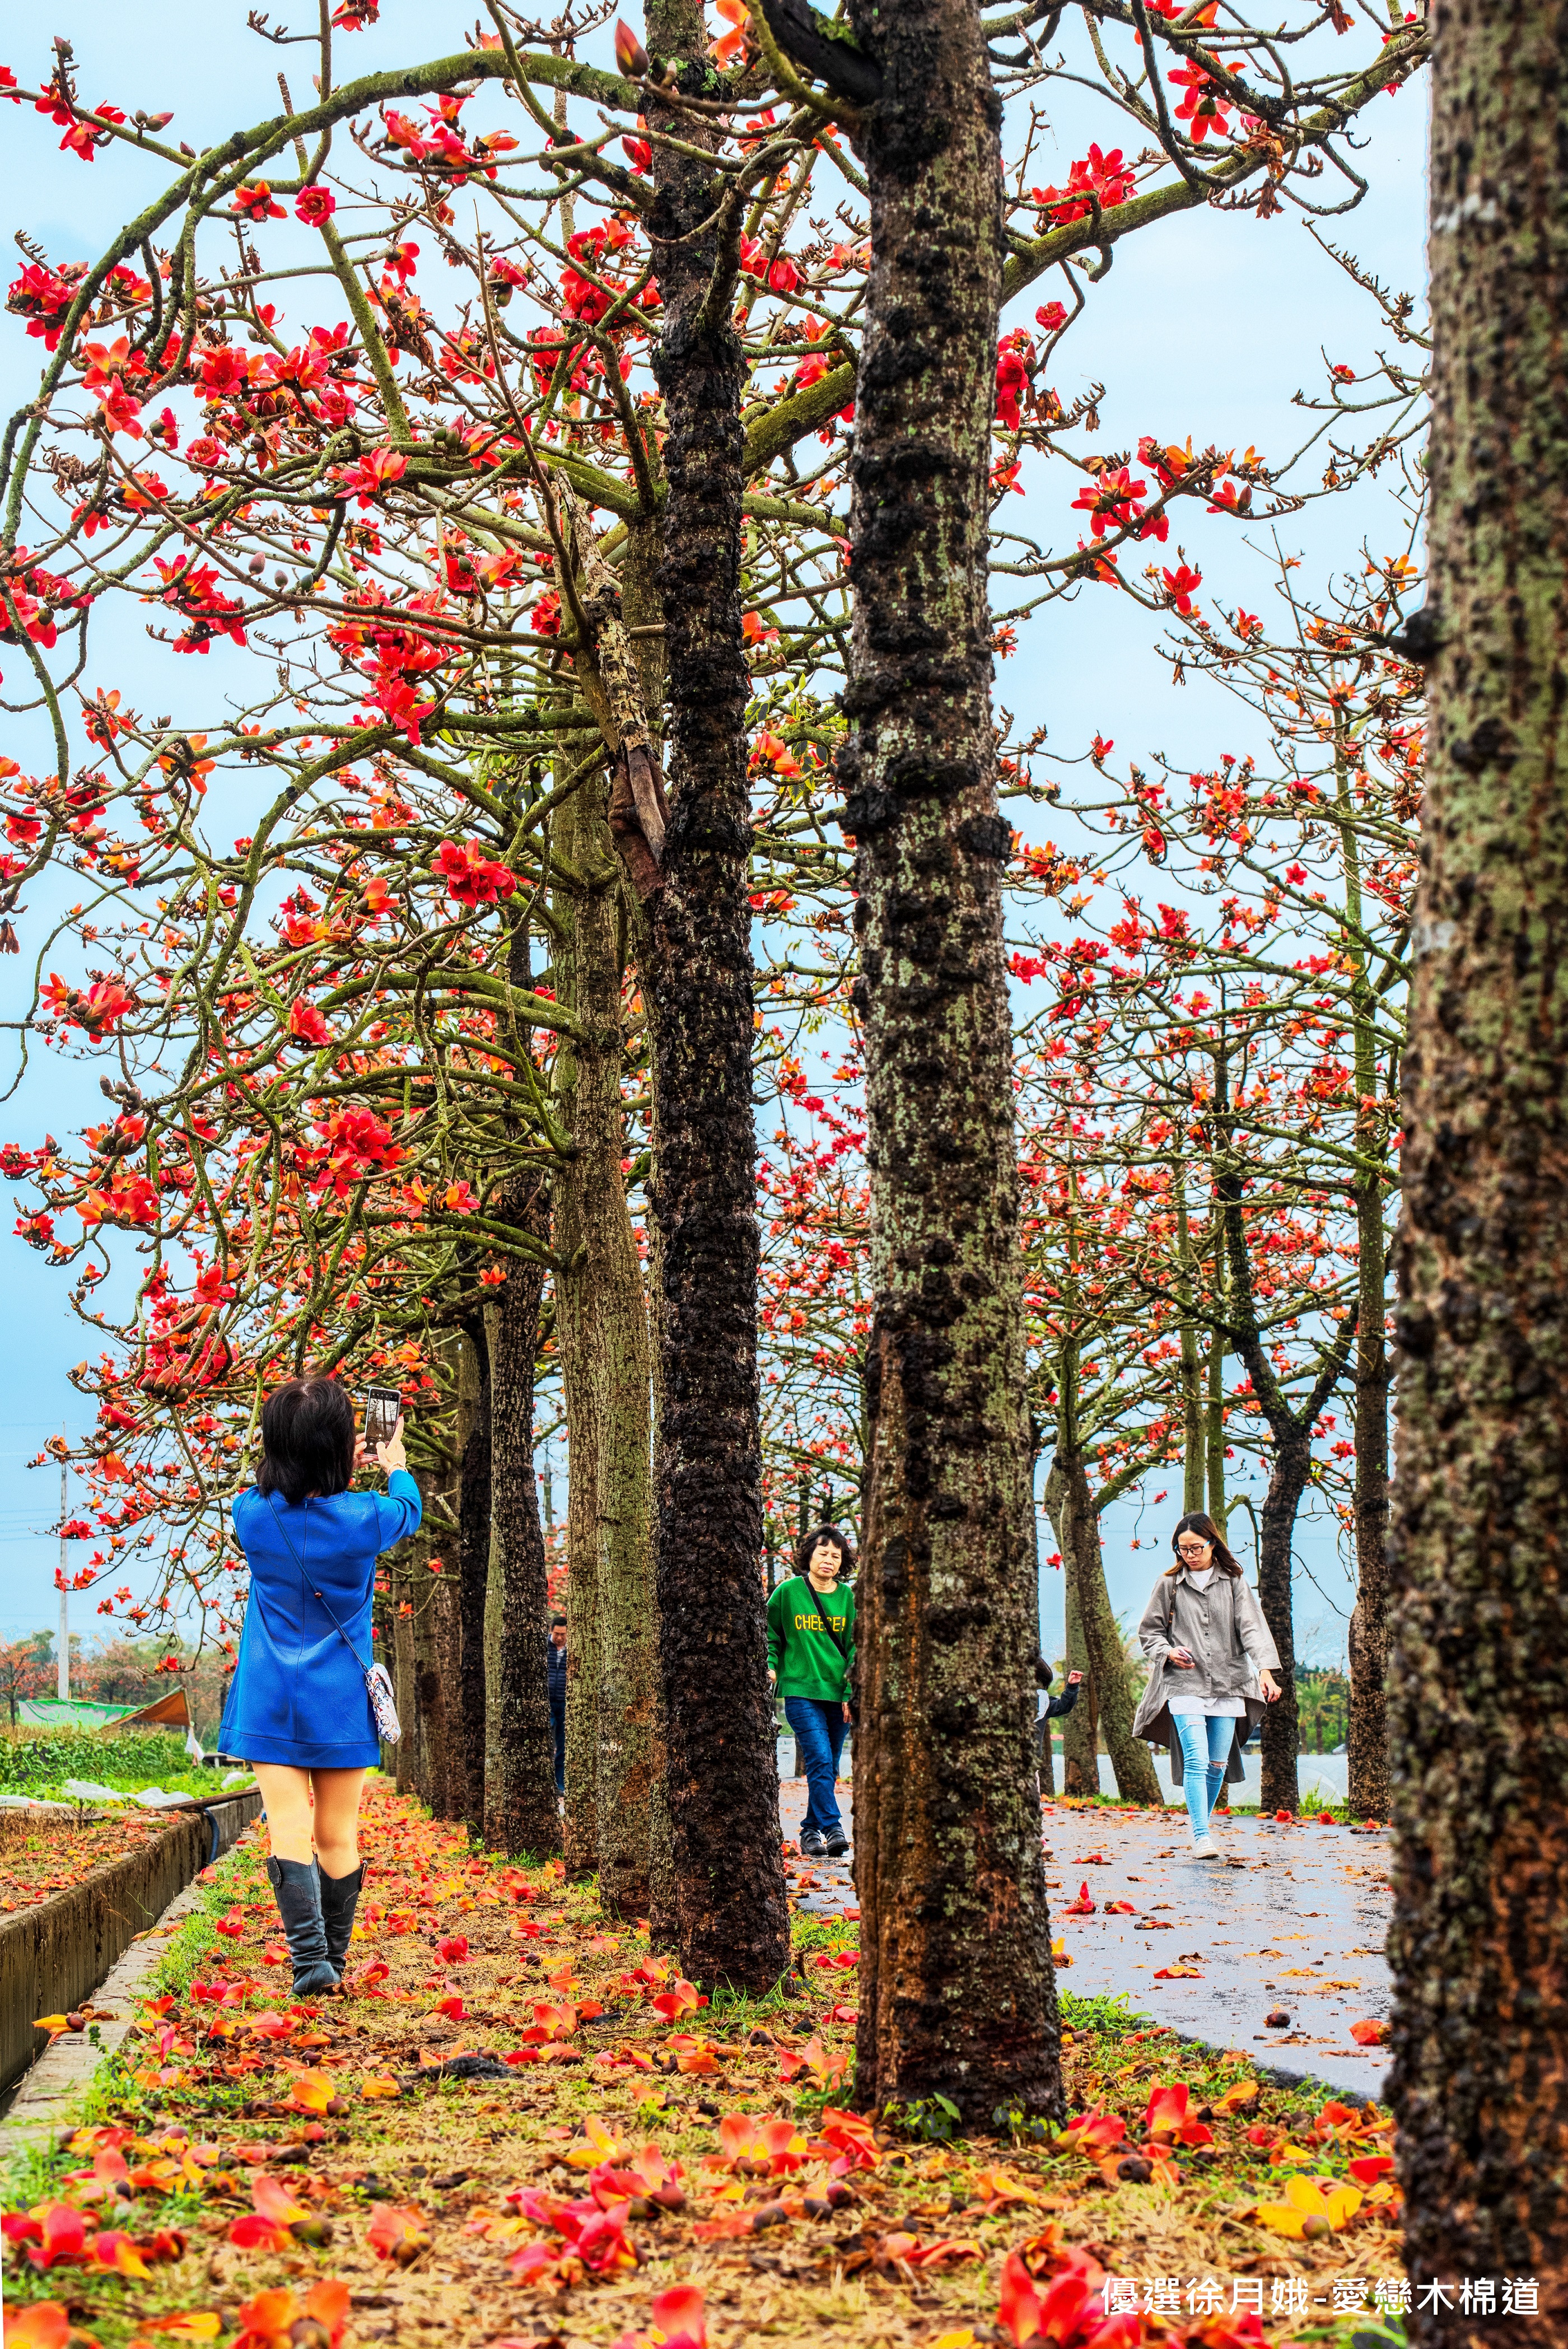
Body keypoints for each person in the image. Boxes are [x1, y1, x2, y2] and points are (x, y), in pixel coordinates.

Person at [217, 1375, 420, 1992]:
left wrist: (321, 1462)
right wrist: (393, 1463)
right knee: (337, 1833)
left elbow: (275, 1492)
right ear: (341, 1444)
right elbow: (406, 1510)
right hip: (339, 1701)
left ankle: (310, 1964)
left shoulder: (250, 1516)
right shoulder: (368, 1517)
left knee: (287, 1826)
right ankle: (331, 1960)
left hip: (270, 1695)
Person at [1132, 1511, 1281, 1857]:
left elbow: (1252, 1629)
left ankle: (1204, 1827)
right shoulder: (1167, 1585)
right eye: (1182, 1549)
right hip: (1183, 1683)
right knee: (1196, 1759)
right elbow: (1149, 1632)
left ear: (1213, 1544)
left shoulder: (1234, 1581)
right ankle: (1201, 1836)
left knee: (1217, 1763)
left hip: (1230, 1681)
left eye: (1196, 1547)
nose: (1190, 1555)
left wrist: (1265, 1671)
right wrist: (1168, 1652)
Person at [767, 1525, 855, 1860]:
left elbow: (856, 1648)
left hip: (839, 1696)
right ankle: (833, 1828)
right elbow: (770, 1633)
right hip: (801, 1690)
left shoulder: (848, 1597)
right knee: (819, 1759)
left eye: (836, 1555)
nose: (829, 1560)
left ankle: (809, 1832)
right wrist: (771, 1664)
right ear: (809, 1556)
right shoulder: (788, 1593)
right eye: (823, 1553)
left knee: (828, 1768)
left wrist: (850, 1691)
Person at [547, 1614, 567, 1796]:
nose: (559, 1637)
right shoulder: (544, 1648)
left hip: (565, 1704)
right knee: (546, 1743)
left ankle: (560, 1785)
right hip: (547, 1703)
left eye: (563, 1634)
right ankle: (547, 1783)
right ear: (551, 1631)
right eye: (556, 1633)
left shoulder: (572, 1650)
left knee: (562, 1746)